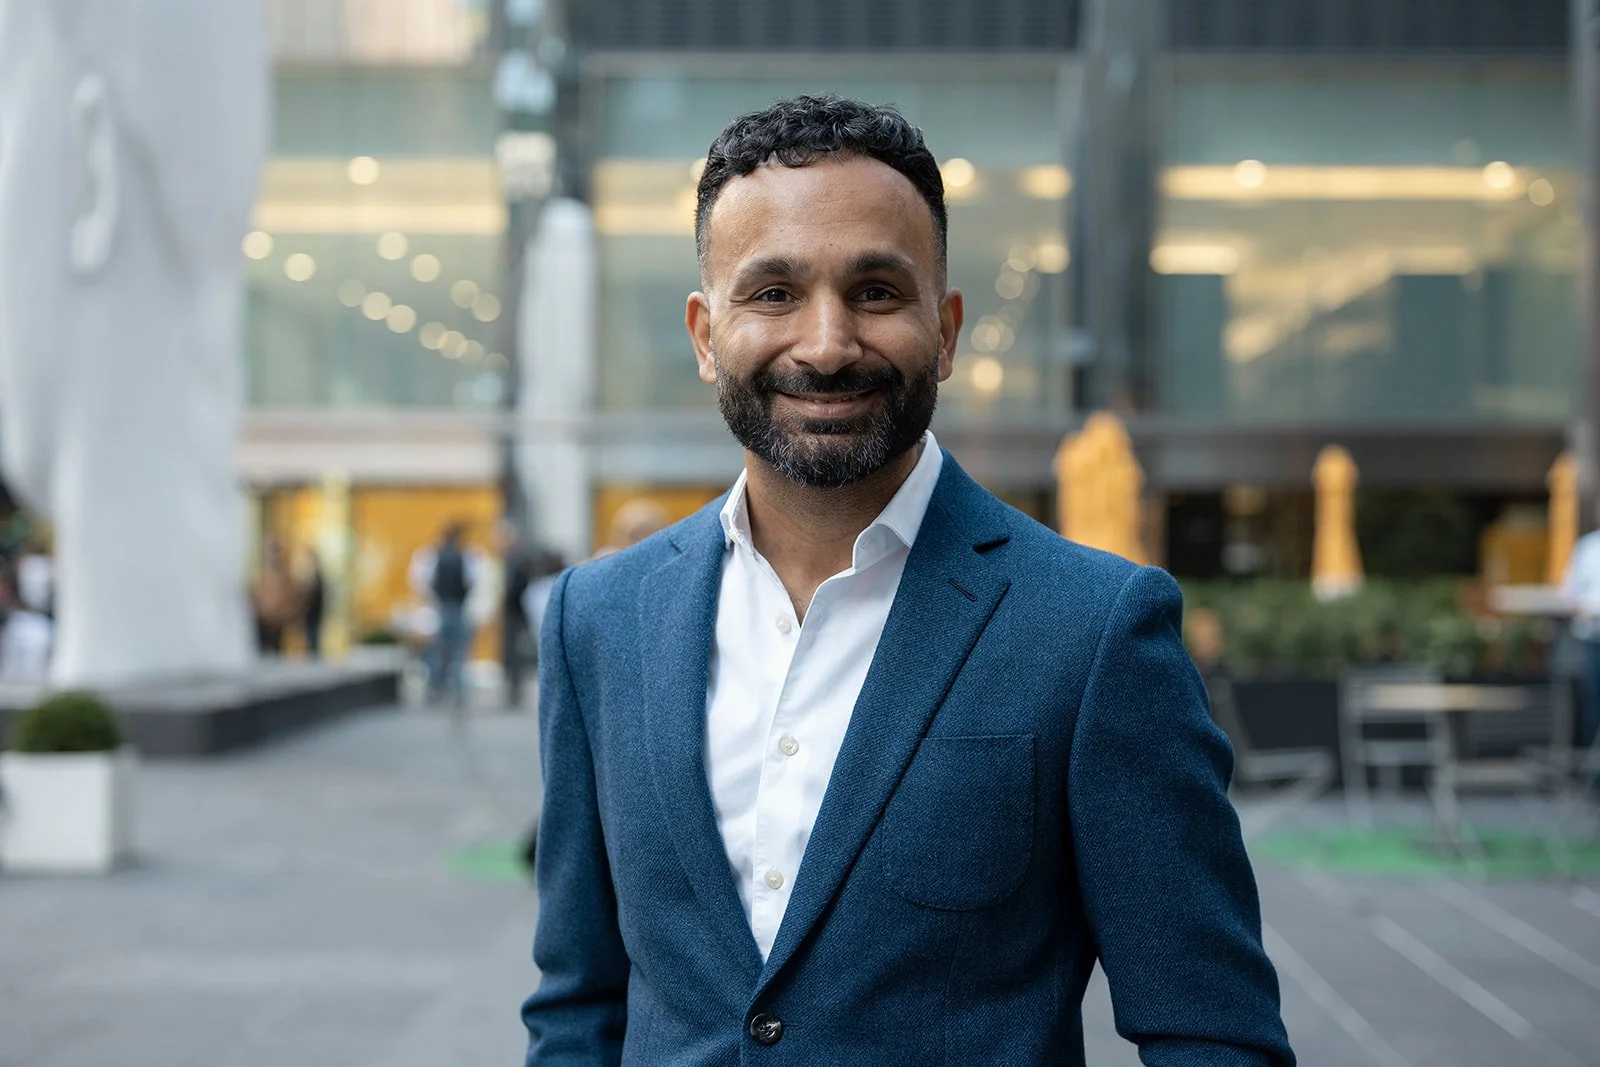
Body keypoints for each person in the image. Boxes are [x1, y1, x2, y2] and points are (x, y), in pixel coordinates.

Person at [521, 97, 1293, 1066]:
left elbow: (1210, 1031)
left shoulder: (1093, 631)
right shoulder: (600, 618)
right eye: (772, 293)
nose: (828, 341)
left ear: (948, 326)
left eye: (878, 290)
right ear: (705, 333)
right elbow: (577, 1000)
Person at [414, 522, 477, 705]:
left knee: (436, 650)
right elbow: (471, 581)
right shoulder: (464, 556)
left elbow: (424, 582)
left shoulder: (433, 556)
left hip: (440, 607)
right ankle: (457, 689)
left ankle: (436, 687)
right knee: (459, 651)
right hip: (458, 607)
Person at [250, 540, 301, 656]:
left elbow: (291, 598)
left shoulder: (284, 575)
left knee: (275, 652)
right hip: (263, 619)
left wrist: (284, 613)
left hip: (276, 621)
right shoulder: (262, 572)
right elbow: (256, 593)